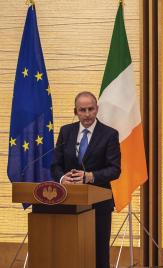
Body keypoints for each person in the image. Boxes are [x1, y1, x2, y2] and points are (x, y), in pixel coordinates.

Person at [50, 91, 121, 268]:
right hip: (68, 203)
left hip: (99, 206)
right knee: (69, 251)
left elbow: (115, 170)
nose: (87, 114)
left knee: (99, 254)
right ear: (76, 111)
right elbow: (55, 165)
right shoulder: (66, 132)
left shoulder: (109, 134)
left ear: (97, 110)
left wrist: (90, 177)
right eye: (82, 110)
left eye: (91, 109)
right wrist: (61, 178)